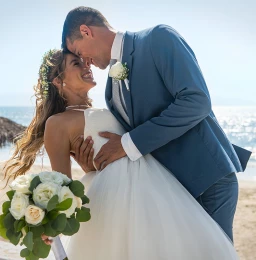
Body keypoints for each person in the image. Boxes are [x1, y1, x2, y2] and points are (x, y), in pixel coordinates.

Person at [4, 49, 239, 259]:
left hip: (156, 186)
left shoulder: (110, 105)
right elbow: (62, 184)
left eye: (85, 62)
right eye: (76, 64)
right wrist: (51, 223)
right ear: (58, 80)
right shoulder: (58, 123)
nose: (87, 66)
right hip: (113, 198)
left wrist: (94, 165)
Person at [62, 6, 251, 242]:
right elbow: (128, 138)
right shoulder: (111, 87)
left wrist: (127, 144)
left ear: (86, 31)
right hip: (169, 192)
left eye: (78, 51)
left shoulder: (157, 38)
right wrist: (93, 162)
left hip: (206, 179)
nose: (83, 61)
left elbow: (196, 101)